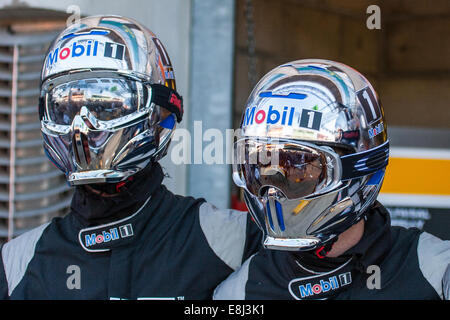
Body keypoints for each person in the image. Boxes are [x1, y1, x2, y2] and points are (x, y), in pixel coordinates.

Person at [0, 15, 260, 300]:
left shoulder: (229, 239)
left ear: (159, 112)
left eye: (107, 106)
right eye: (65, 107)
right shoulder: (17, 260)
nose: (82, 125)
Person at [214, 59, 450, 300]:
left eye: (299, 167)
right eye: (260, 166)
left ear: (358, 168)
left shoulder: (434, 270)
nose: (274, 189)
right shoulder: (241, 291)